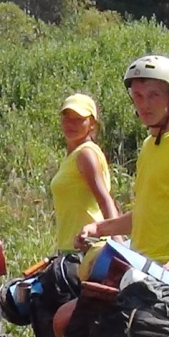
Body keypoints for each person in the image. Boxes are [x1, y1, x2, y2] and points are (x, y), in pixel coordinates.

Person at [75, 55, 169, 261]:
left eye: (154, 95)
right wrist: (98, 228)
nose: (145, 104)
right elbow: (146, 217)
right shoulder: (148, 145)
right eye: (138, 95)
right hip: (143, 264)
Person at [50, 93, 118, 252]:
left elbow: (105, 199)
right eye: (67, 118)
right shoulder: (74, 155)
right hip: (71, 247)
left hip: (88, 246)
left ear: (92, 124)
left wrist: (118, 242)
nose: (71, 124)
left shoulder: (86, 154)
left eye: (78, 119)